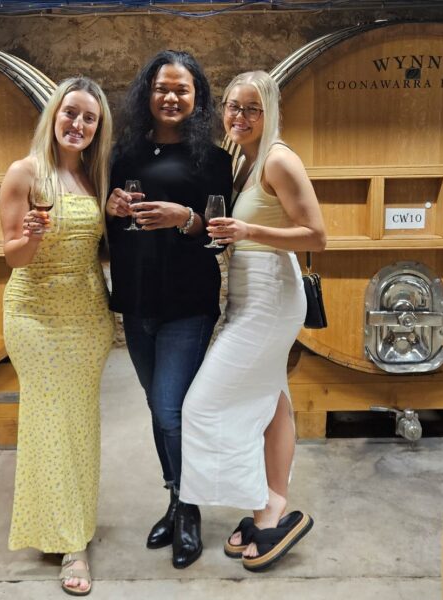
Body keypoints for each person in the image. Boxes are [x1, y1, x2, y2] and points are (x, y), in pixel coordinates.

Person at [180, 70, 327, 572]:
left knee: (202, 403)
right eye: (231, 106)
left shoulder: (280, 159)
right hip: (250, 294)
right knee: (274, 403)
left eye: (251, 108)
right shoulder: (244, 157)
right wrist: (233, 236)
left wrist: (248, 229)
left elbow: (316, 236)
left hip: (271, 298)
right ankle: (273, 506)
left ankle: (258, 498)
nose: (238, 116)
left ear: (269, 112)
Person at [104, 50, 233, 569]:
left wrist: (186, 219)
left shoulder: (213, 160)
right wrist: (112, 210)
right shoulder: (125, 156)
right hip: (136, 302)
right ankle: (176, 497)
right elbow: (112, 233)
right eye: (162, 88)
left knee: (170, 409)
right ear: (147, 94)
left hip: (186, 303)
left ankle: (190, 511)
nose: (171, 97)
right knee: (159, 411)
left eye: (182, 89)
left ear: (196, 96)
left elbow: (219, 239)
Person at [0, 76, 114, 596]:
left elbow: (102, 251)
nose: (79, 124)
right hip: (35, 313)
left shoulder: (97, 177)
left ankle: (67, 521)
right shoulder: (24, 173)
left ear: (98, 128)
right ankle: (71, 541)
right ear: (54, 114)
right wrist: (29, 237)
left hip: (87, 314)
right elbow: (13, 256)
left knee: (78, 420)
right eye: (71, 113)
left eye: (89, 118)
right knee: (48, 416)